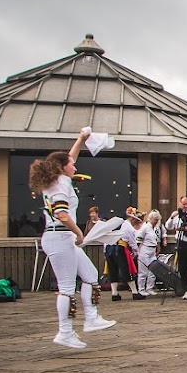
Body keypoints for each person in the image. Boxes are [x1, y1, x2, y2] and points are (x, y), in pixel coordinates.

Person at [28, 131, 117, 349]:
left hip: (59, 236)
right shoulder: (61, 184)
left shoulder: (56, 180)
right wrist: (79, 232)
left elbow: (70, 157)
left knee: (90, 274)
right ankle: (65, 331)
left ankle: (91, 317)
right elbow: (61, 213)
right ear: (62, 167)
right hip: (60, 235)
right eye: (71, 165)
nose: (75, 167)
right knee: (67, 286)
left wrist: (81, 139)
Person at [104, 208, 141, 301]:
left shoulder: (114, 224)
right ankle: (134, 292)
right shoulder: (129, 228)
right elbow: (132, 243)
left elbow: (106, 237)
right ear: (132, 219)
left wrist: (105, 251)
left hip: (109, 248)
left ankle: (114, 293)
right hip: (120, 248)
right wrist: (136, 252)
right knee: (126, 270)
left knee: (113, 270)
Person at [133, 210, 163, 298]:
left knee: (153, 270)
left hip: (152, 250)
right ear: (150, 219)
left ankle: (149, 288)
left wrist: (157, 248)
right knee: (143, 272)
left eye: (157, 219)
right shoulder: (144, 227)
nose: (156, 221)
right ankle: (141, 289)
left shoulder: (156, 228)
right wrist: (137, 252)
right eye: (155, 219)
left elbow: (157, 240)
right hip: (144, 250)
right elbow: (138, 240)